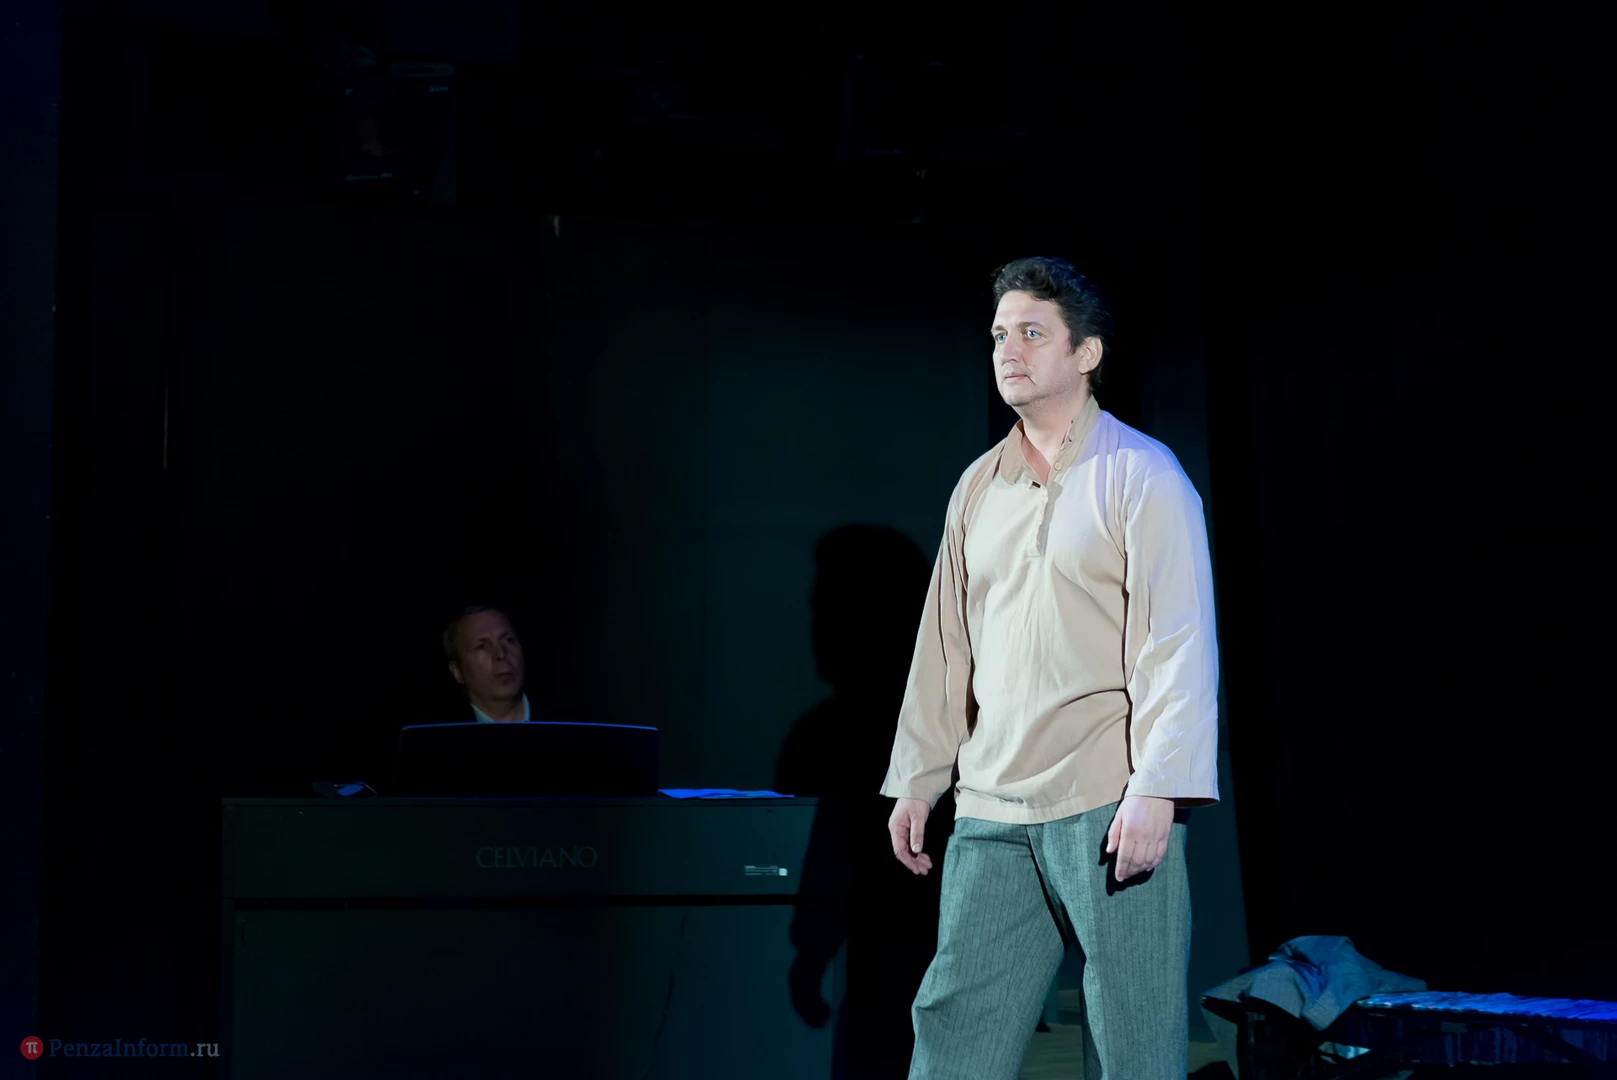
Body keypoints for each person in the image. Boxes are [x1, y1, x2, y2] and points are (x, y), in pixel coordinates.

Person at [881, 257, 1219, 1079]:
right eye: (1000, 334)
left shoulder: (1141, 473)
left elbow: (1177, 642)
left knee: (1134, 1037)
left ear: (1085, 353)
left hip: (1106, 798)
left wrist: (1158, 788)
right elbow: (944, 646)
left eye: (1032, 333)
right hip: (992, 801)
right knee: (956, 1021)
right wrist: (919, 777)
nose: (1008, 350)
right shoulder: (977, 486)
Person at [442, 605, 530, 723]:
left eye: (509, 640)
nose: (501, 654)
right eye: (482, 646)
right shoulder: (437, 729)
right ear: (457, 671)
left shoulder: (555, 718)